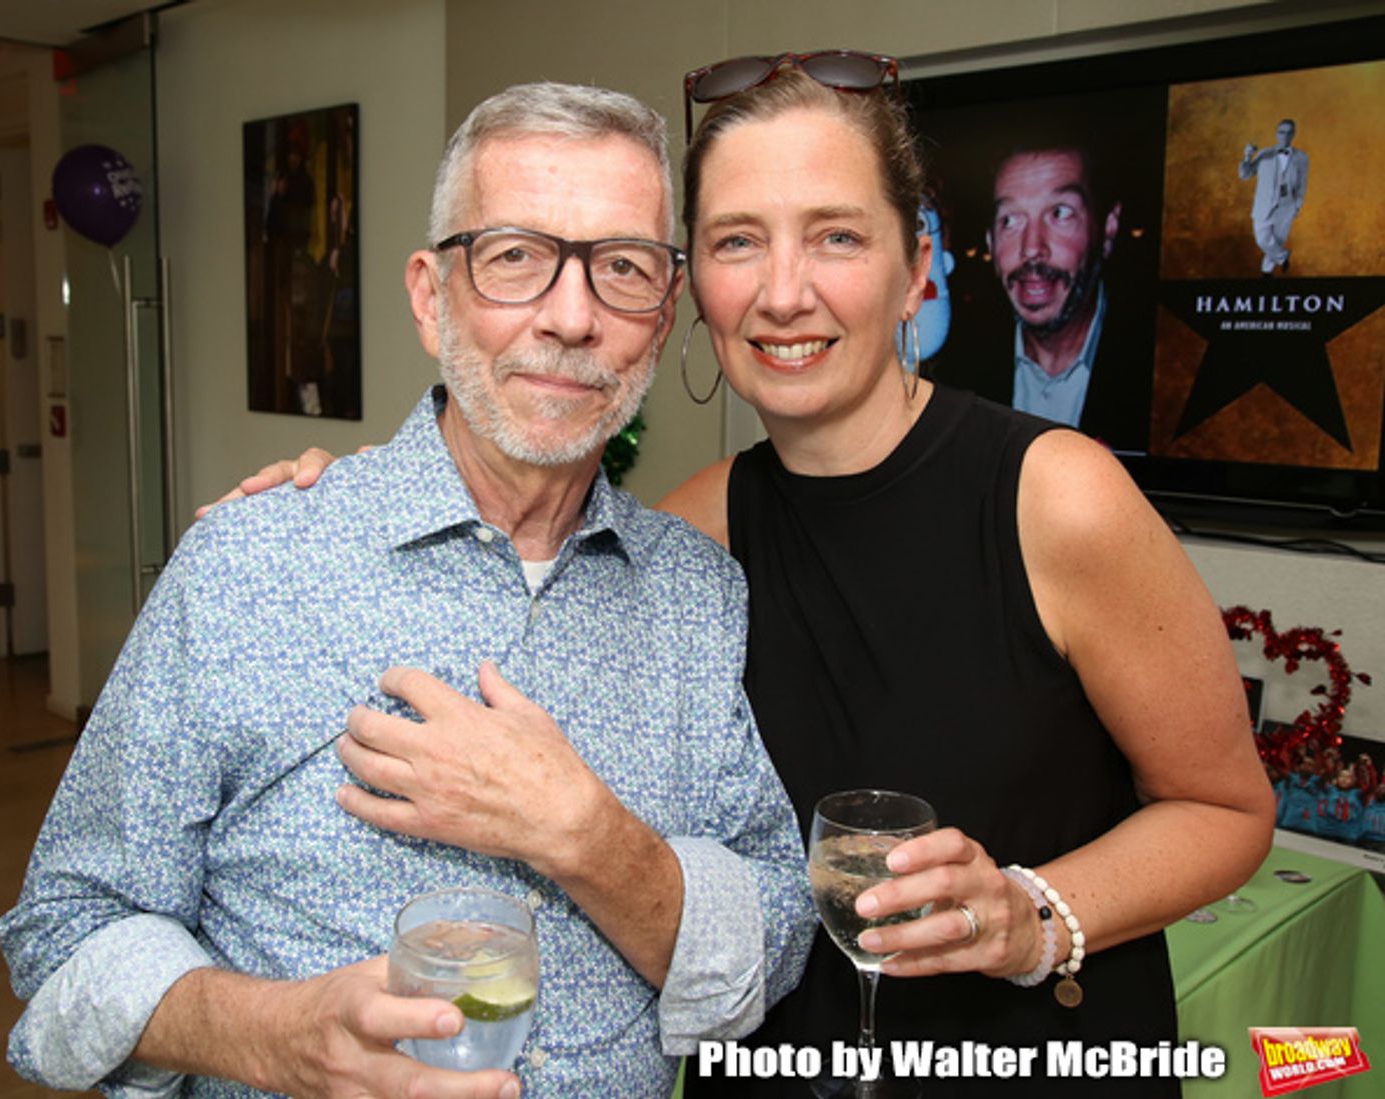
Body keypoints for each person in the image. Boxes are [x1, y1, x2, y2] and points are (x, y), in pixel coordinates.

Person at [217, 55, 1277, 1098]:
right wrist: (351, 495)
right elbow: (508, 565)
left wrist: (1029, 913)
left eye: (835, 237)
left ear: (917, 269)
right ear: (689, 290)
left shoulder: (1054, 497)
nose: (781, 293)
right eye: (735, 242)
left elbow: (1225, 809)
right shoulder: (693, 530)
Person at [0, 82, 815, 1099]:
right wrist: (270, 1035)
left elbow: (778, 938)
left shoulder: (695, 593)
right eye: (515, 256)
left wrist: (588, 837)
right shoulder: (248, 566)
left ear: (661, 317)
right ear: (432, 297)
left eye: (621, 268)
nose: (571, 317)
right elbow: (66, 930)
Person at [935, 142, 1151, 450]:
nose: (1032, 247)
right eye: (1010, 220)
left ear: (1108, 228)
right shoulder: (950, 374)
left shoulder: (1166, 370)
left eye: (1059, 213)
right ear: (990, 242)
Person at [1239, 118, 1307, 276]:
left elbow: (1302, 185)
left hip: (1286, 207)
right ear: (1277, 134)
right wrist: (1247, 156)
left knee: (1277, 241)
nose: (1285, 136)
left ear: (1294, 134)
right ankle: (1283, 257)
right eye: (1282, 132)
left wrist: (1297, 205)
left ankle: (1266, 273)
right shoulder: (1264, 154)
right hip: (1263, 206)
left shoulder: (1302, 158)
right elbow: (1245, 175)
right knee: (1262, 240)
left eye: (1289, 132)